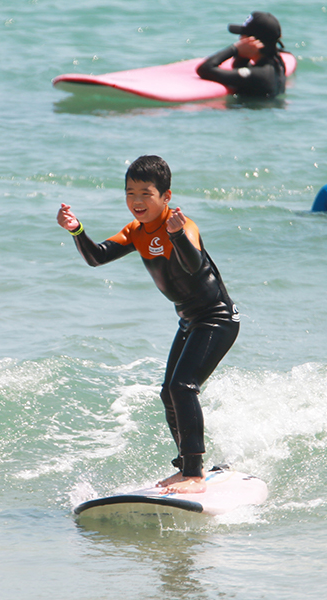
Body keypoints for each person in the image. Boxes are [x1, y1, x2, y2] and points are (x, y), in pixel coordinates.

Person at [57, 156, 240, 493]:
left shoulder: (181, 225)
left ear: (165, 197)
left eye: (146, 193)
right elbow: (97, 256)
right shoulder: (136, 232)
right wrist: (76, 230)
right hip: (188, 321)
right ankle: (187, 465)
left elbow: (193, 263)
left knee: (183, 387)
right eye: (130, 193)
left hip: (217, 318)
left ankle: (195, 475)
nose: (136, 201)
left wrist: (176, 236)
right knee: (168, 393)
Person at [196, 12, 286, 98]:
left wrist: (235, 48)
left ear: (252, 41)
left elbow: (204, 69)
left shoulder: (260, 75)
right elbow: (240, 69)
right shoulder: (277, 64)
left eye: (242, 35)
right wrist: (242, 56)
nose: (239, 39)